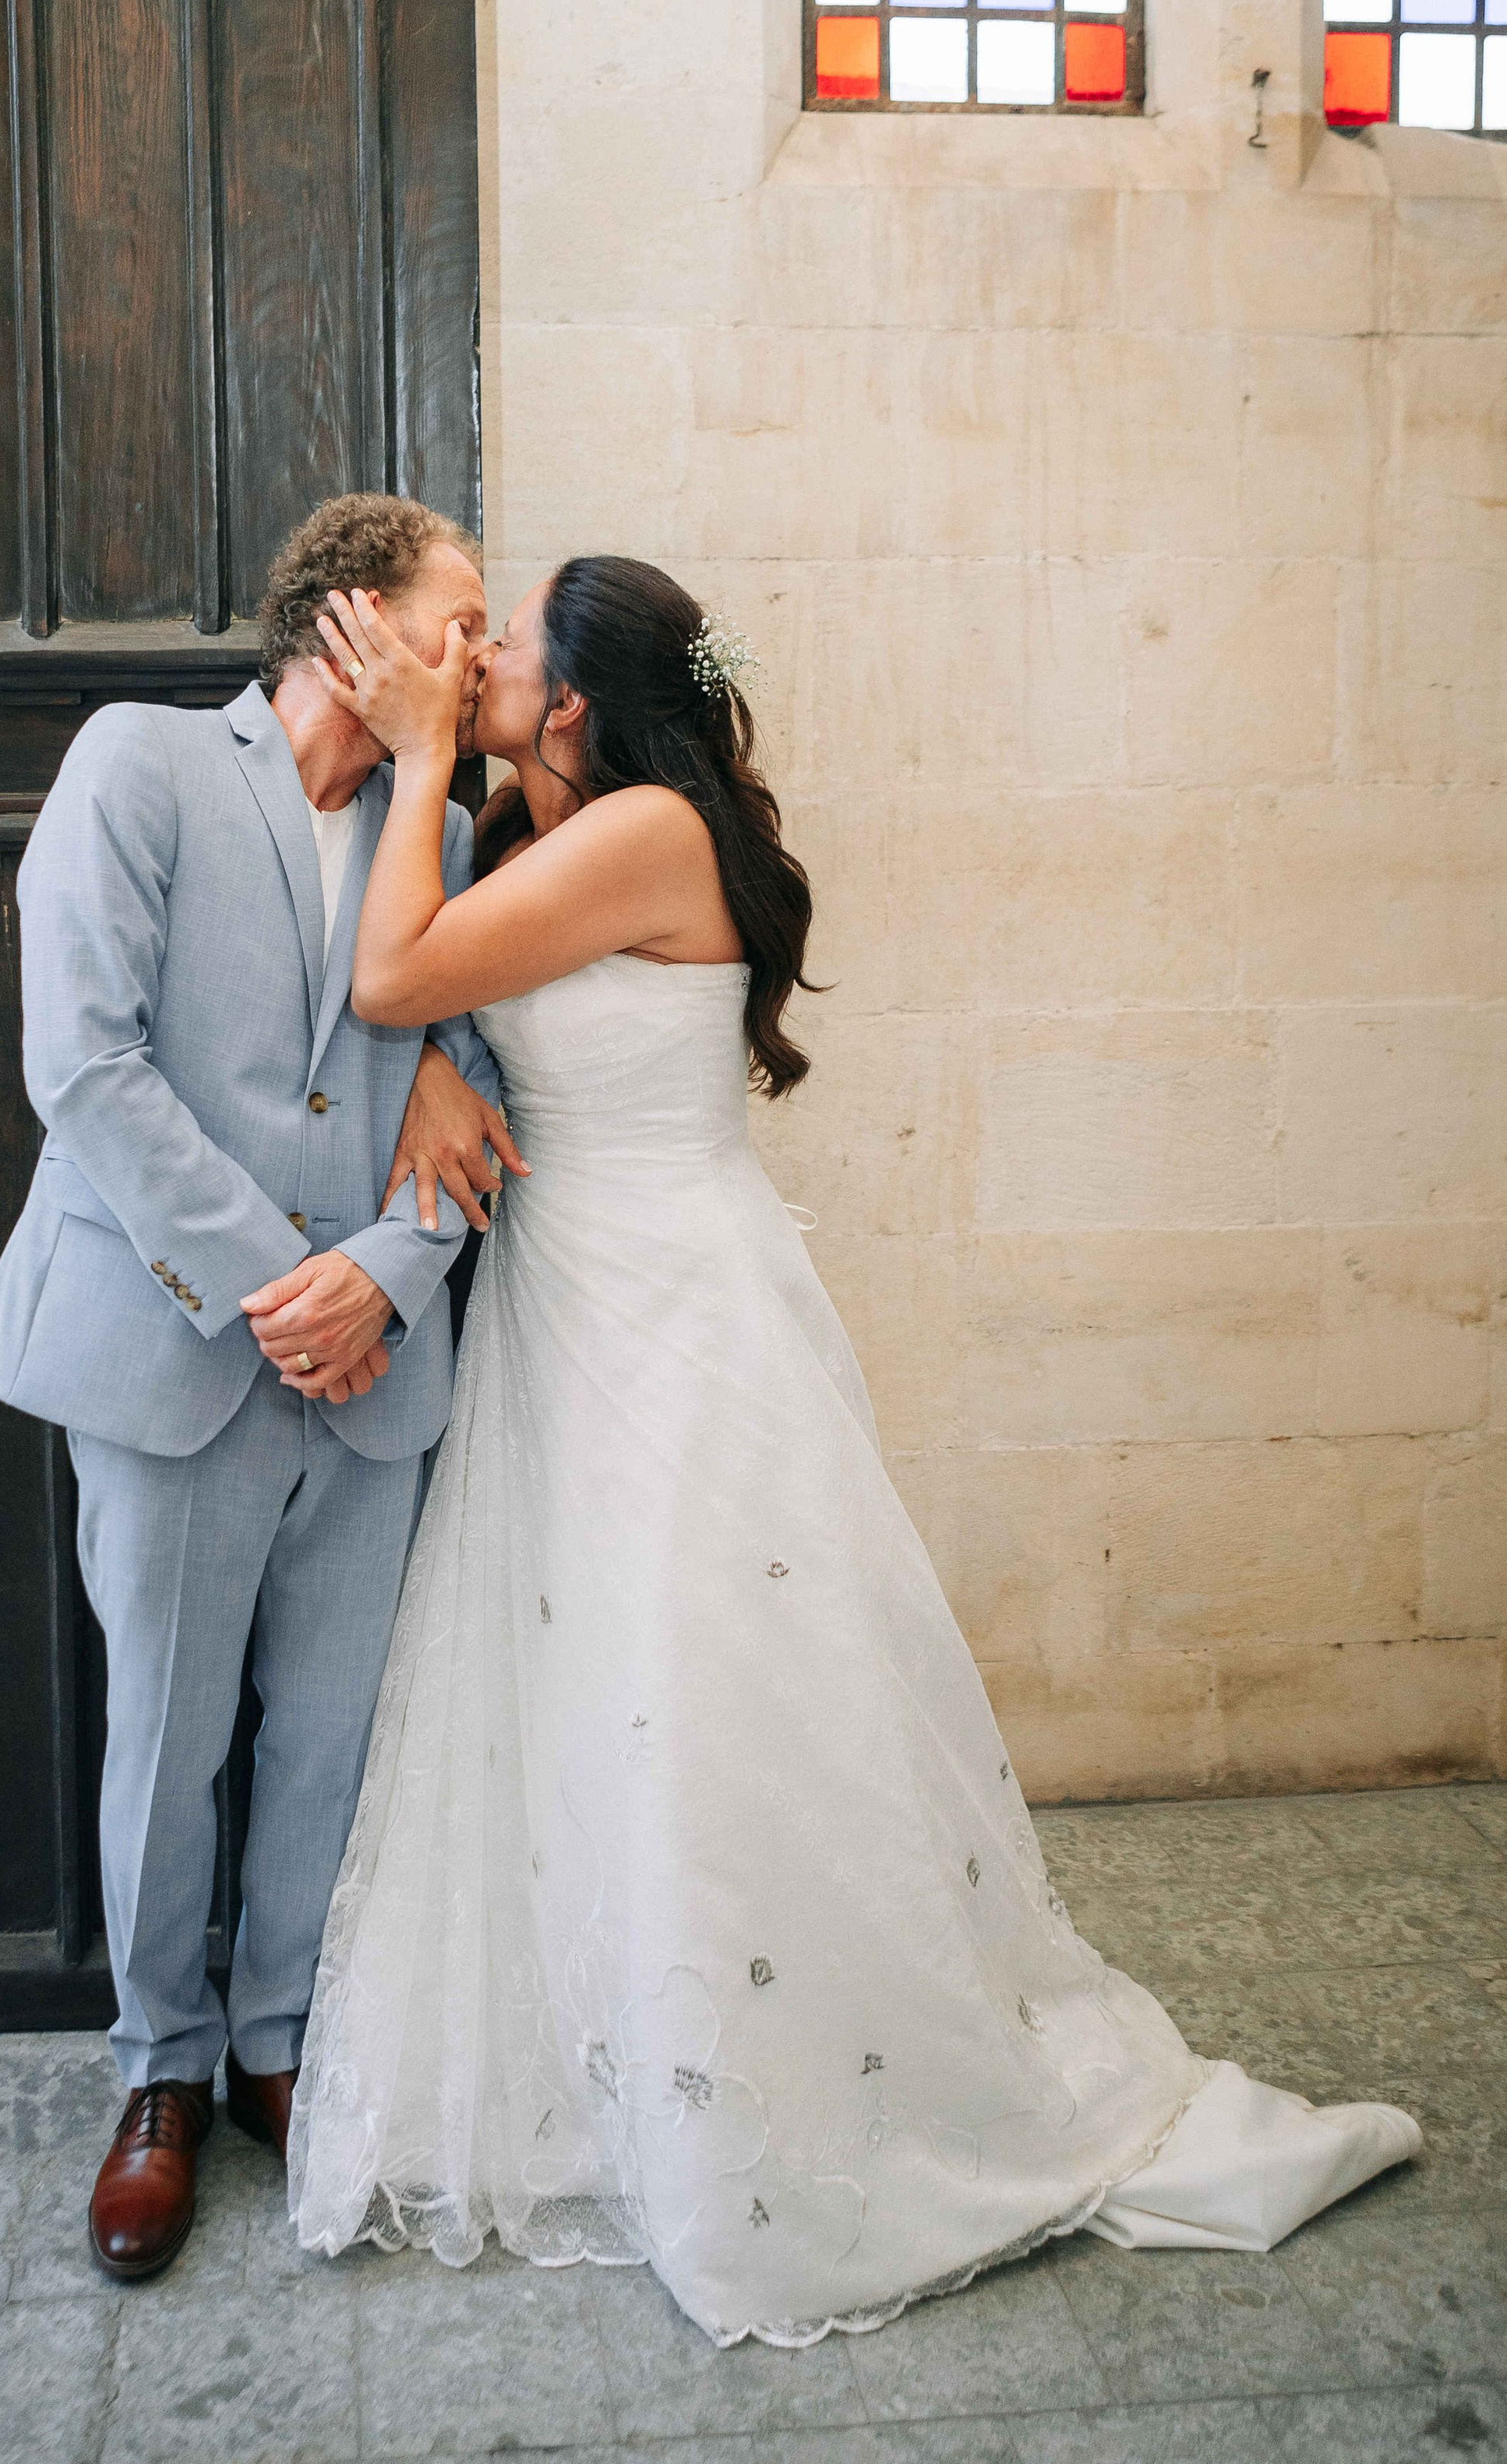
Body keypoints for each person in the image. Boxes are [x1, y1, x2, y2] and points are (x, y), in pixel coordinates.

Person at [284, 552, 1419, 2348]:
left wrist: (418, 757)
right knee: (592, 1681)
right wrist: (436, 1059)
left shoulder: (648, 830)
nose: (474, 654)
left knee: (699, 1680)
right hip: (565, 1309)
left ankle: (788, 2077)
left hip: (672, 1311)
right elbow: (441, 1005)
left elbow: (394, 972)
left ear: (570, 700)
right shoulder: (532, 829)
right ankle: (627, 2056)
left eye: (507, 642)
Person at [0, 495, 528, 2286]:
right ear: (353, 616)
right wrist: (286, 1285)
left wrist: (389, 1278)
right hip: (174, 1349)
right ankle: (160, 2075)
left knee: (329, 1737)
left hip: (375, 1369)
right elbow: (83, 1063)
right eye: (459, 617)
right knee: (166, 1737)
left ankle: (283, 2043)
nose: (481, 653)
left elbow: (483, 1085)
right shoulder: (137, 764)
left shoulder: (450, 830)